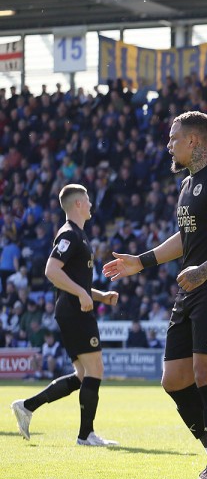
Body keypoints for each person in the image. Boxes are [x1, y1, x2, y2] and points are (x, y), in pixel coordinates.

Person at [103, 111, 207, 479]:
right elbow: (185, 237)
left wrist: (204, 270)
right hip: (192, 290)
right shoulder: (188, 184)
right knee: (174, 381)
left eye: (173, 139)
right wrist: (141, 261)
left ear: (193, 141)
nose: (168, 145)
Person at [11, 184, 120, 446]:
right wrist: (82, 296)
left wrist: (98, 295)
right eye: (88, 200)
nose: (91, 205)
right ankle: (86, 435)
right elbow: (51, 270)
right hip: (73, 311)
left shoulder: (78, 235)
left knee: (83, 374)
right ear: (78, 204)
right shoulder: (69, 235)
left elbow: (73, 281)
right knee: (95, 369)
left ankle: (27, 406)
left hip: (72, 309)